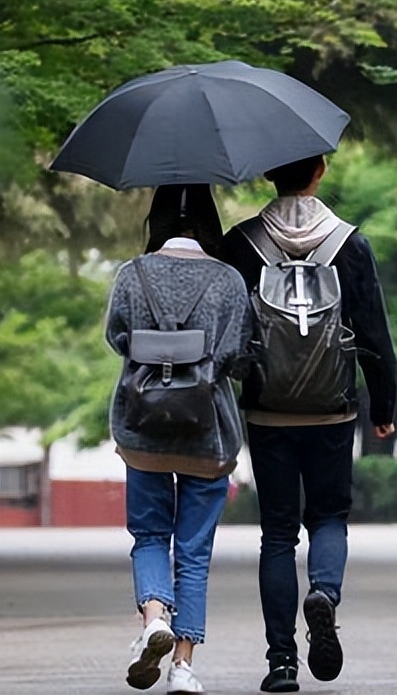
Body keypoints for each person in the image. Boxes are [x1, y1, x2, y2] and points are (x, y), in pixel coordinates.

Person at [218, 156, 397, 692]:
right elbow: (373, 331)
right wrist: (383, 406)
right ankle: (324, 592)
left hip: (267, 408)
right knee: (328, 517)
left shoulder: (242, 244)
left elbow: (226, 327)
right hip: (332, 408)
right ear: (319, 171)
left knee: (277, 533)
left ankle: (281, 664)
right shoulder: (350, 243)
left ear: (269, 174)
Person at [105, 184, 253, 694]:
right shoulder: (229, 280)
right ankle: (183, 669)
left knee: (150, 536)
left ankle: (154, 619)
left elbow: (118, 339)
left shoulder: (132, 274)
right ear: (210, 223)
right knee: (193, 552)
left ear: (156, 220)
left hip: (142, 428)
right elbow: (238, 355)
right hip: (208, 434)